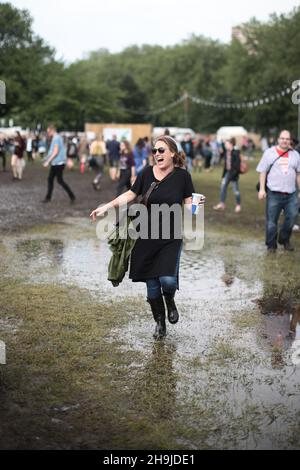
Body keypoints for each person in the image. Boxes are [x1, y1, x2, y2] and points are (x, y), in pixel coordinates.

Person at [90, 135, 205, 339]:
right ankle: (159, 323)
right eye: (154, 151)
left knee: (168, 281)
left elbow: (189, 206)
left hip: (170, 236)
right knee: (152, 287)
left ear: (172, 153)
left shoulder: (182, 177)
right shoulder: (145, 174)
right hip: (145, 236)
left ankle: (169, 300)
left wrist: (196, 206)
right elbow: (130, 195)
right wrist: (106, 206)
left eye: (161, 150)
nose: (157, 154)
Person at [257, 130, 300, 252]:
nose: (284, 140)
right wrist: (261, 189)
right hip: (274, 193)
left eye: (287, 139)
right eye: (282, 138)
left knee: (292, 217)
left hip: (291, 194)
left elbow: (298, 174)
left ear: (290, 140)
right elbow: (263, 171)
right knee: (271, 222)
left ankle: (284, 239)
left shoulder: (295, 155)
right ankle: (271, 245)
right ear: (278, 139)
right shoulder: (269, 153)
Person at [42, 125, 76, 203]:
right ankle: (48, 197)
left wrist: (48, 161)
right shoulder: (56, 138)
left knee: (59, 180)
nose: (48, 133)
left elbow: (55, 152)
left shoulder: (56, 138)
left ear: (52, 130)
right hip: (56, 163)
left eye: (48, 131)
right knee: (52, 179)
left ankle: (72, 196)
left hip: (58, 163)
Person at [213, 137, 241, 213]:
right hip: (227, 173)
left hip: (234, 175)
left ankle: (238, 205)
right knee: (223, 188)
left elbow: (237, 167)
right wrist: (223, 176)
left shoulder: (236, 152)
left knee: (236, 191)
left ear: (231, 144)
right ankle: (222, 204)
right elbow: (225, 166)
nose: (225, 145)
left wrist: (231, 176)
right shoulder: (226, 152)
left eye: (226, 143)